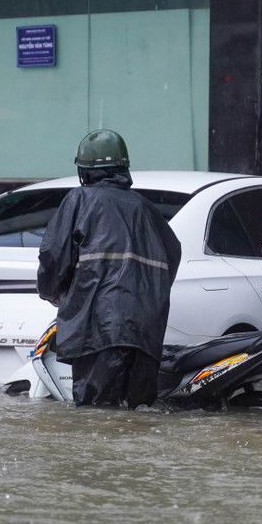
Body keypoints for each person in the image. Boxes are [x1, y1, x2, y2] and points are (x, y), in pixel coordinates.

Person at [37, 129, 182, 407]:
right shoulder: (147, 209)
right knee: (138, 414)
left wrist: (50, 291)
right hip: (145, 334)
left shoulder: (80, 199)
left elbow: (53, 254)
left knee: (96, 417)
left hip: (99, 330)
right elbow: (172, 255)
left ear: (85, 170)